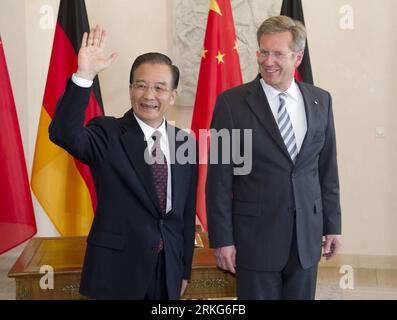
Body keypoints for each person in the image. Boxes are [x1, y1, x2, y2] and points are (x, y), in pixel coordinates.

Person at [49, 25, 198, 300]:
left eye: (159, 88)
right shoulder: (107, 132)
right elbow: (63, 133)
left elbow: (186, 215)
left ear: (173, 95)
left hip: (168, 273)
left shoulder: (185, 143)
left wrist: (183, 270)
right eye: (140, 85)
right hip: (116, 272)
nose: (148, 95)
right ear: (130, 89)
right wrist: (84, 75)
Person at [206, 16, 342, 300]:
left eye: (278, 53)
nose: (268, 61)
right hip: (255, 240)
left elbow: (327, 170)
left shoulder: (321, 100)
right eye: (263, 51)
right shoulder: (231, 104)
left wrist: (333, 226)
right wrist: (222, 240)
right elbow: (218, 179)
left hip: (306, 239)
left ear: (298, 57)